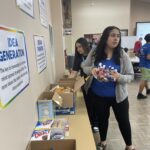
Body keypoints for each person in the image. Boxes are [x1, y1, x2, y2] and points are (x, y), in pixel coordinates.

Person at [81, 26, 135, 150]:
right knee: (102, 119)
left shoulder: (122, 54)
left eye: (118, 36)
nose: (116, 38)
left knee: (123, 121)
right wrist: (92, 70)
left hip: (119, 97)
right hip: (99, 95)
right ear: (105, 37)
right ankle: (103, 142)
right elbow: (84, 66)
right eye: (112, 35)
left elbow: (131, 76)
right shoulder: (95, 52)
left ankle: (129, 146)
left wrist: (119, 77)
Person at [70, 37, 99, 132]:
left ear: (85, 45)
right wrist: (67, 85)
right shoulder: (78, 58)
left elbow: (96, 69)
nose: (78, 49)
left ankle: (95, 124)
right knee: (88, 104)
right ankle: (90, 123)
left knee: (95, 105)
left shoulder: (94, 54)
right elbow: (74, 72)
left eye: (80, 46)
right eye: (77, 47)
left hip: (95, 82)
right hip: (84, 84)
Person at [137, 34, 150, 99]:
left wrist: (142, 58)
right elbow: (148, 57)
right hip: (147, 65)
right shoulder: (149, 46)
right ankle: (139, 94)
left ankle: (148, 90)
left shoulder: (143, 46)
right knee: (144, 79)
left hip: (142, 64)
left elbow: (137, 54)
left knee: (145, 79)